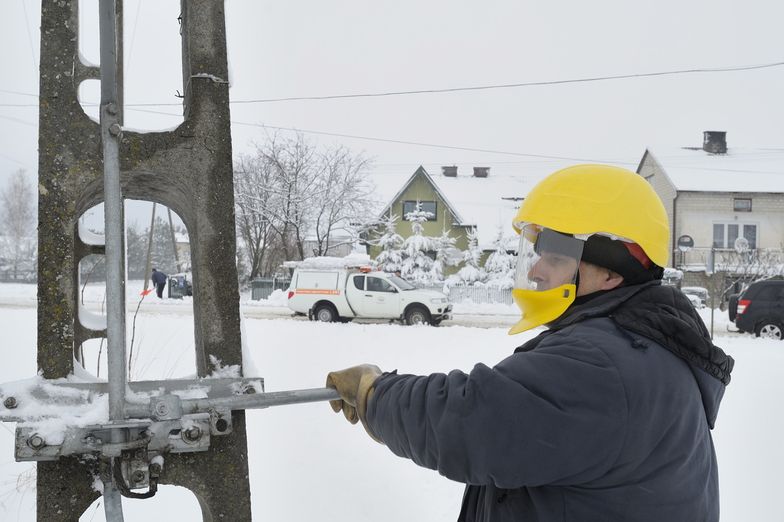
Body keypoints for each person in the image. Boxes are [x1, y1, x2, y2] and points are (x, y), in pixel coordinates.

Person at [326, 164, 734, 521]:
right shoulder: (644, 347)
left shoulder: (602, 365)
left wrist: (374, 394)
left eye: (555, 257)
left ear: (612, 273)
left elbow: (475, 417)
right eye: (537, 254)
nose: (537, 270)